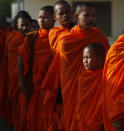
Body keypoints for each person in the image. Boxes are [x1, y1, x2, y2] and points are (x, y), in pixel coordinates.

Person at [38, 2, 110, 130]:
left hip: (94, 88)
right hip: (72, 89)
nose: (91, 19)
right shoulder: (66, 40)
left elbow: (107, 65)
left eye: (93, 15)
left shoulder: (101, 38)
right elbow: (65, 70)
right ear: (76, 17)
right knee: (73, 118)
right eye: (86, 15)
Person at [17, 6, 55, 131]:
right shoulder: (32, 37)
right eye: (40, 17)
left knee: (51, 119)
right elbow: (21, 60)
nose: (41, 20)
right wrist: (22, 83)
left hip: (52, 87)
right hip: (35, 85)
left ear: (54, 18)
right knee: (35, 118)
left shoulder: (59, 36)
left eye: (45, 17)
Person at [7, 10, 32, 131]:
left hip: (29, 79)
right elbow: (14, 60)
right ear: (17, 25)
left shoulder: (31, 38)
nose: (25, 28)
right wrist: (21, 80)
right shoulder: (15, 40)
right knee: (20, 110)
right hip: (17, 79)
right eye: (22, 25)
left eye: (27, 25)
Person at [76, 43, 105, 131]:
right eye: (83, 58)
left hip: (100, 121)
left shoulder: (105, 77)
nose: (85, 61)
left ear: (99, 59)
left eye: (88, 57)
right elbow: (81, 103)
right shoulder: (83, 77)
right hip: (84, 120)